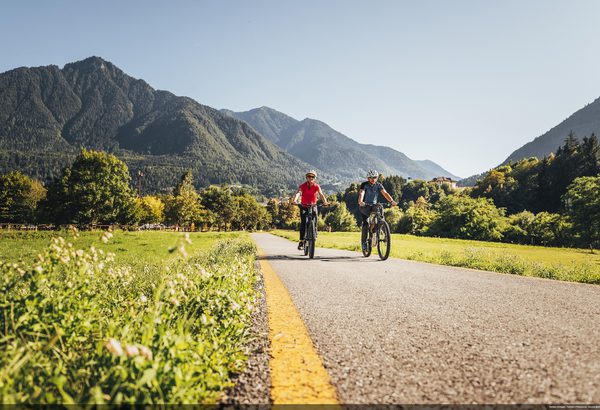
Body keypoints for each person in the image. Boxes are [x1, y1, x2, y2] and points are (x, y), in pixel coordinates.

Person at [358, 169, 397, 251]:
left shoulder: (379, 185)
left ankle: (381, 227)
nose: (373, 179)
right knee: (366, 223)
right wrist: (361, 201)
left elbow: (385, 193)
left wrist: (391, 201)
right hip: (365, 206)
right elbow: (362, 193)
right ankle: (364, 242)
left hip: (374, 205)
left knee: (379, 209)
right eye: (371, 177)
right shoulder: (364, 185)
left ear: (377, 177)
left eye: (375, 177)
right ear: (368, 178)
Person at [292, 170, 328, 250]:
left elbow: (321, 195)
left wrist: (325, 202)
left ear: (314, 178)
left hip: (313, 205)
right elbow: (299, 193)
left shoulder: (316, 186)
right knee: (303, 223)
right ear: (306, 177)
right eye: (309, 176)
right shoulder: (303, 186)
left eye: (312, 177)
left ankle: (314, 233)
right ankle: (301, 241)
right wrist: (295, 200)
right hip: (304, 206)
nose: (311, 178)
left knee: (315, 218)